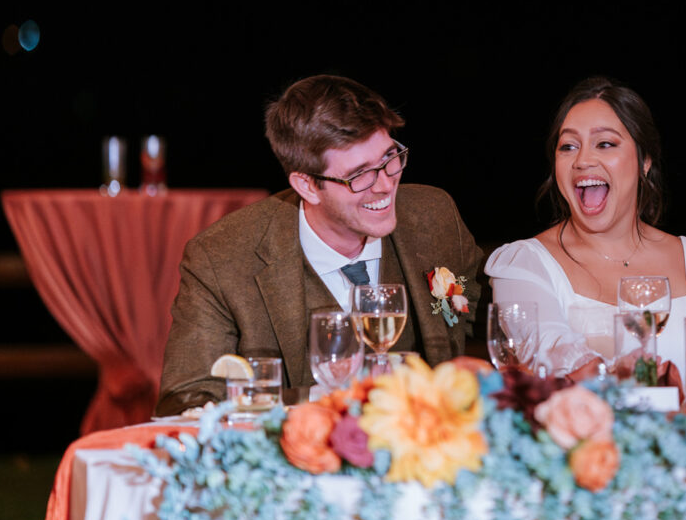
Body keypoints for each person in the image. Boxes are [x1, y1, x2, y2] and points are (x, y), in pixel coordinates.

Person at [156, 75, 483, 416]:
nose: (386, 185)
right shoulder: (222, 258)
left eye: (390, 157)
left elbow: (480, 318)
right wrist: (320, 401)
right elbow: (185, 402)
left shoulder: (434, 216)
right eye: (360, 175)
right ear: (307, 186)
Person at [485, 77, 686, 394]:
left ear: (645, 161)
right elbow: (548, 358)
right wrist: (621, 377)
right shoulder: (523, 266)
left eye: (605, 144)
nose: (583, 160)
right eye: (568, 147)